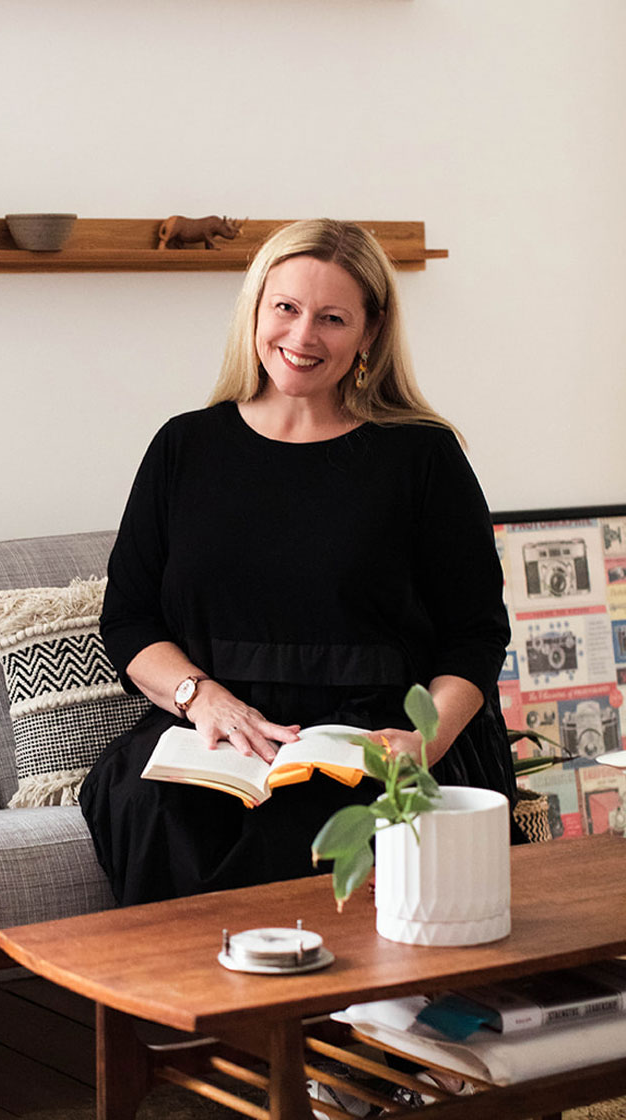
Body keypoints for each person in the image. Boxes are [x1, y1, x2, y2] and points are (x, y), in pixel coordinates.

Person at [79, 218, 520, 907]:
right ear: (255, 309)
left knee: (312, 830)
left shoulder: (422, 456)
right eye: (285, 307)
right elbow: (130, 620)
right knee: (152, 807)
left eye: (332, 318)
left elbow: (476, 633)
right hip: (219, 737)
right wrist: (202, 698)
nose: (302, 335)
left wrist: (423, 744)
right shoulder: (183, 447)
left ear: (370, 332)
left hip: (378, 738)